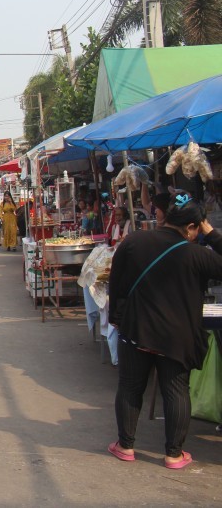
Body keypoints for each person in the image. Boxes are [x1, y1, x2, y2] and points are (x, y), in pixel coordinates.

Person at [107, 193, 222, 469]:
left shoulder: (135, 240)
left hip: (136, 329)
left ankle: (125, 446)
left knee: (131, 386)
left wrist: (116, 319)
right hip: (177, 335)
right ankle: (173, 454)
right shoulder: (196, 254)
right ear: (192, 227)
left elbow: (116, 282)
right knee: (176, 390)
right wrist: (211, 233)